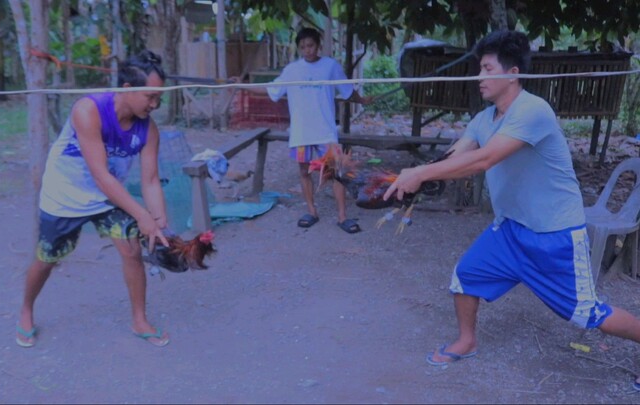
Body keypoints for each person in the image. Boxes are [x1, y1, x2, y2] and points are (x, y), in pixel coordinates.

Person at [383, 30, 640, 389]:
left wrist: (420, 172)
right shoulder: (484, 119)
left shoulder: (532, 111)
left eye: (487, 68)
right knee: (466, 276)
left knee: (587, 314)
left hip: (555, 236)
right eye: (478, 69)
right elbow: (458, 155)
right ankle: (467, 340)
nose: (479, 77)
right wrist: (412, 181)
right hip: (509, 231)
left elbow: (484, 159)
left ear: (513, 72)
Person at [16, 50, 172, 348]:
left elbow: (151, 179)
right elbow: (101, 175)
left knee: (131, 252)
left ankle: (139, 320)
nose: (155, 105)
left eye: (159, 98)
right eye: (150, 97)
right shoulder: (88, 110)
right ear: (128, 89)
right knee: (47, 258)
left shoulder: (148, 128)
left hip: (108, 198)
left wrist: (158, 218)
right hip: (65, 196)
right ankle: (26, 309)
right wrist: (141, 215)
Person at [235, 27, 372, 233]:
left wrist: (361, 99)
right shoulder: (292, 70)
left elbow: (347, 91)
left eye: (310, 45)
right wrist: (242, 86)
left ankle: (343, 216)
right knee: (303, 171)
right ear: (299, 49)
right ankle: (311, 211)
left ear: (318, 45)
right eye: (302, 47)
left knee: (336, 173)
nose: (307, 50)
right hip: (301, 132)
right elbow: (271, 89)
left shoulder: (330, 66)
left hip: (325, 131)